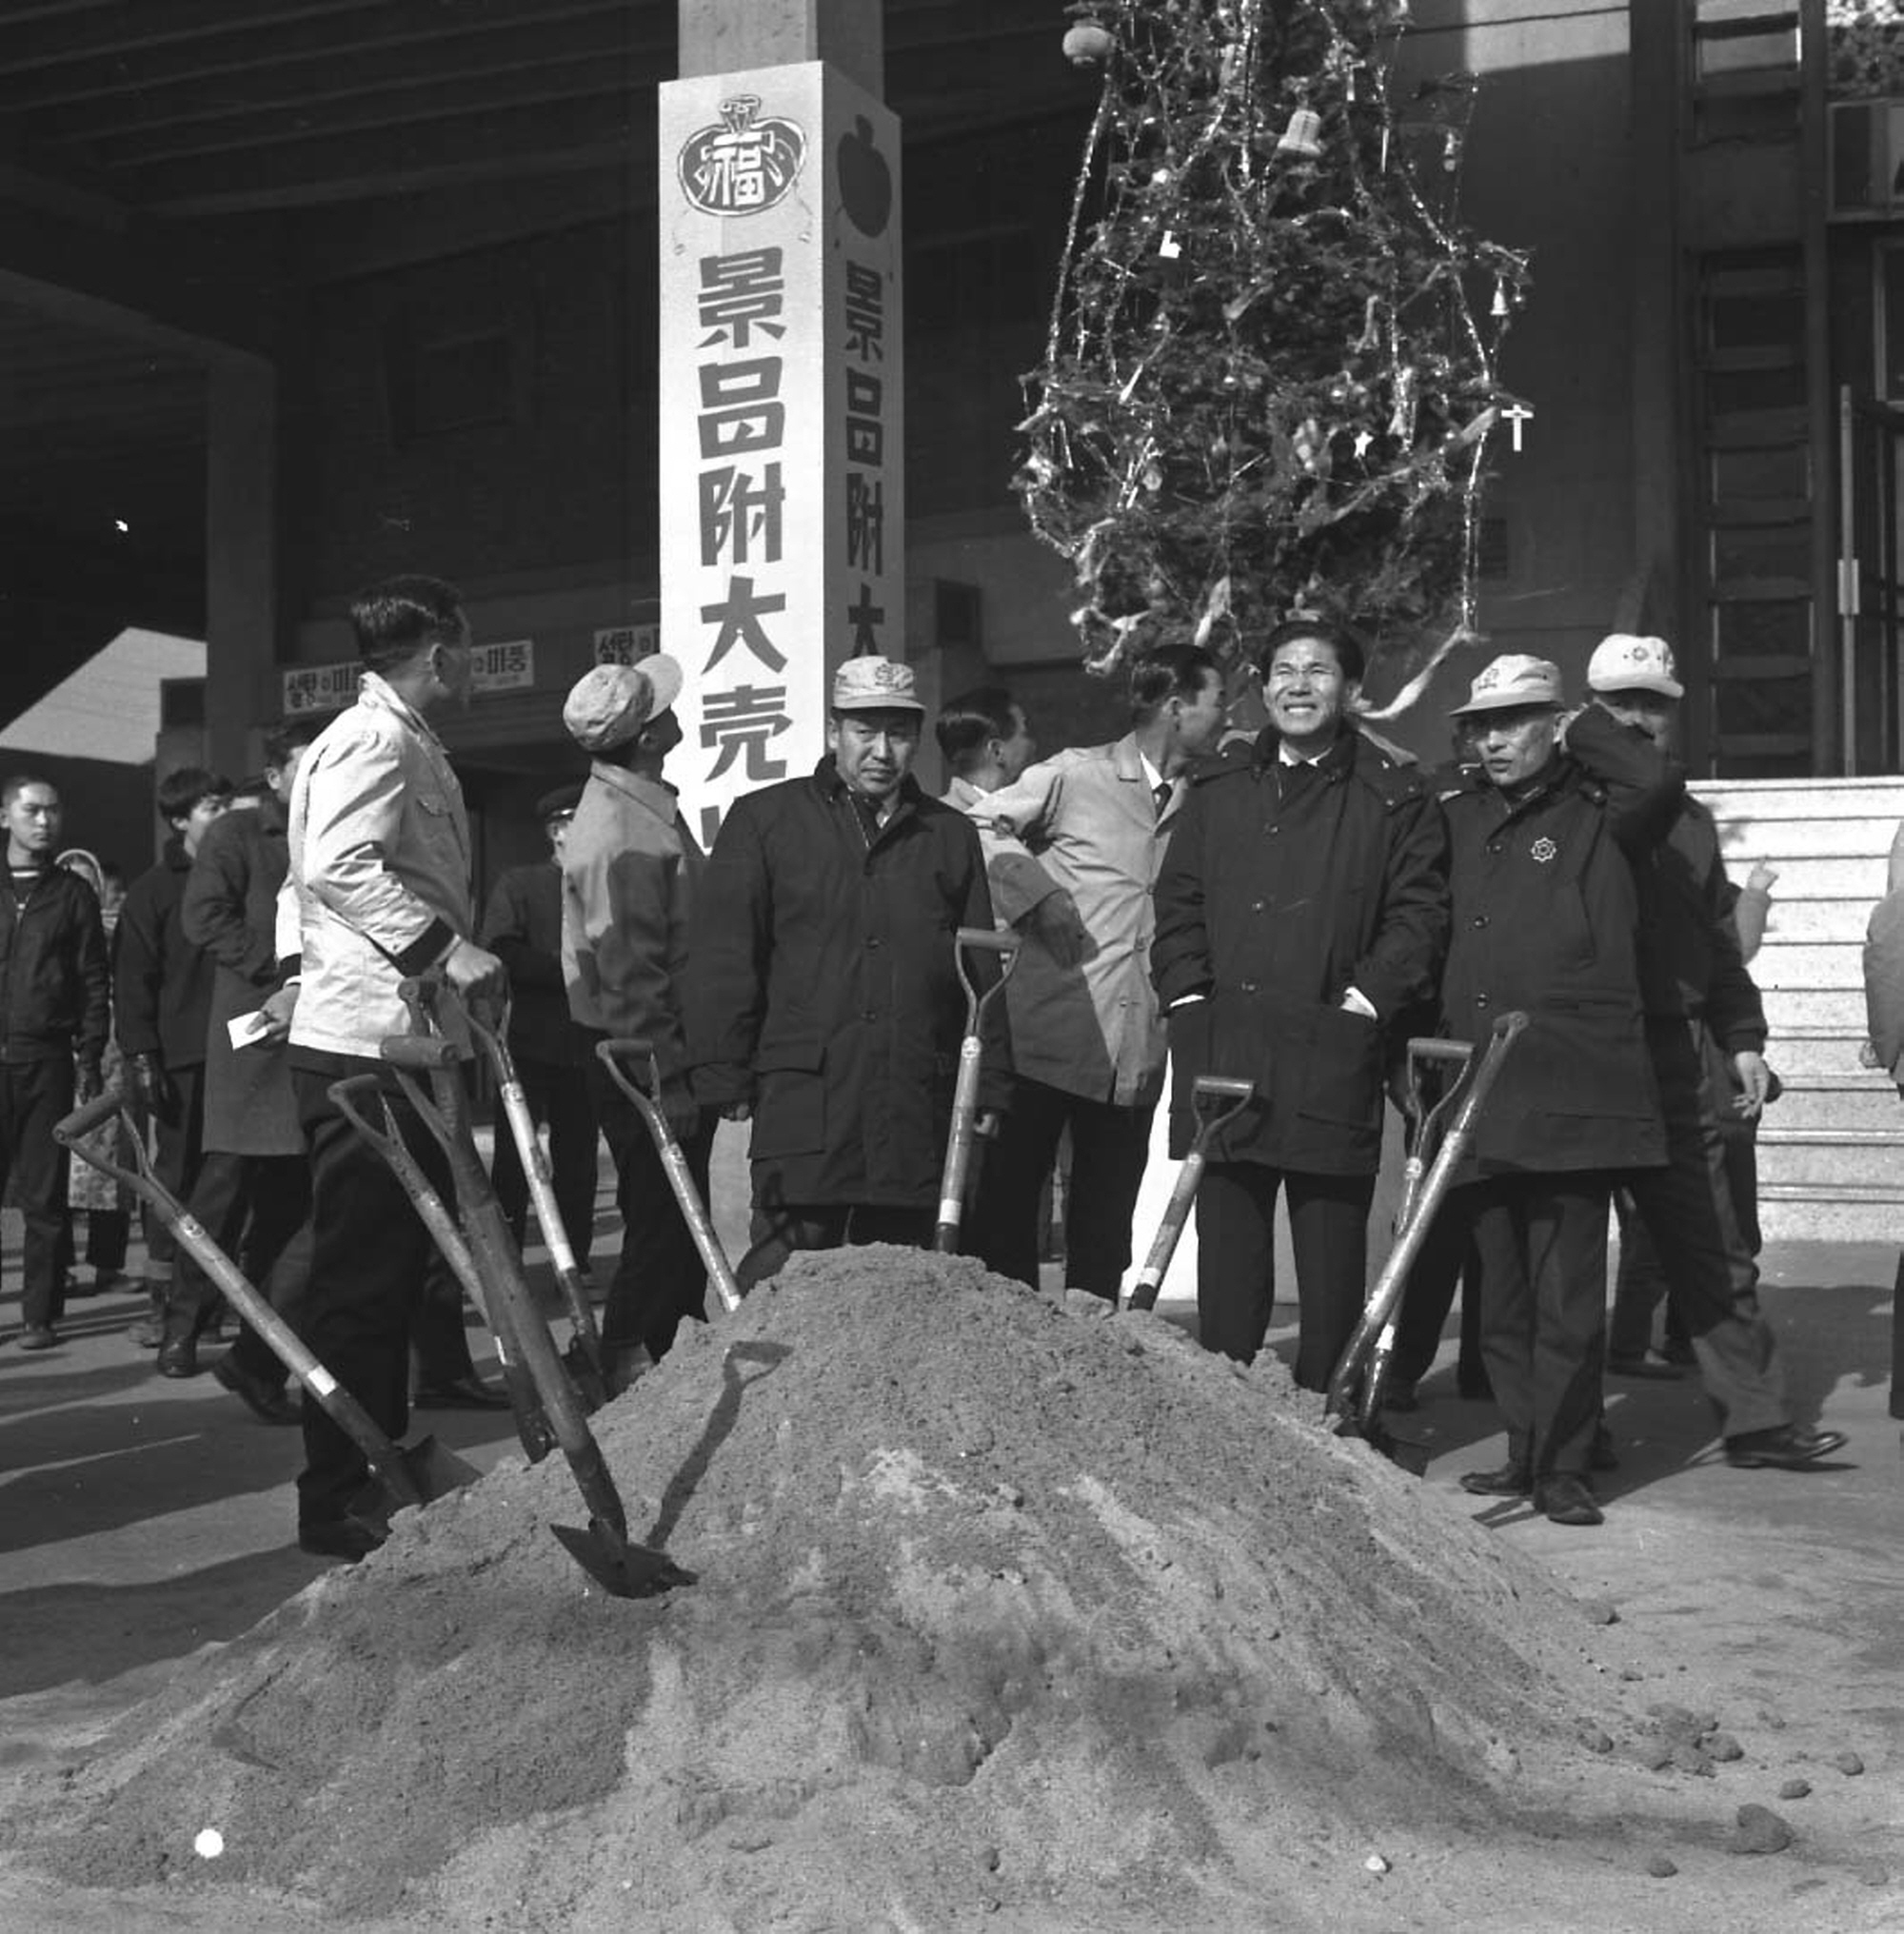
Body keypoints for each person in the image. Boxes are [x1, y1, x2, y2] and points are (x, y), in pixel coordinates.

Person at [268, 574, 508, 1561]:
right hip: (366, 1050)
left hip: (395, 1036)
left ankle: (384, 1455)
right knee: (362, 1280)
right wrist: (440, 950)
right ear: (439, 650)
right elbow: (332, 866)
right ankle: (335, 1495)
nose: (467, 663)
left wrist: (297, 970)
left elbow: (306, 883)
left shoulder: (397, 738)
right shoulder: (375, 740)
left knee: (396, 1270)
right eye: (464, 646)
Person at [1152, 620, 1449, 1387]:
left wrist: (1364, 1004)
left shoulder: (1393, 794)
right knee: (1228, 1248)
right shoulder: (1219, 787)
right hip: (1227, 1042)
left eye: (1318, 671)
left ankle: (1330, 1406)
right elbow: (1178, 898)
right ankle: (1231, 1413)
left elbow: (1417, 916)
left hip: (1330, 1043)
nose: (1297, 685)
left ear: (1350, 690)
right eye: (1283, 670)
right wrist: (1187, 995)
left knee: (1329, 1251)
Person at [1579, 635, 1844, 1472]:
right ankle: (1565, 1436)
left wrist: (1743, 1038)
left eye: (1655, 703)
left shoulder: (1691, 822)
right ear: (1590, 711)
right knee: (1567, 1260)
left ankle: (1757, 1421)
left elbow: (1717, 948)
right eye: (1622, 702)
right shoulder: (1563, 805)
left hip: (1678, 1048)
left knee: (1714, 1248)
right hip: (1585, 1048)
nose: (1639, 717)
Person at [686, 655, 1010, 1287]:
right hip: (807, 1092)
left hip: (912, 1091)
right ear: (835, 731)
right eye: (865, 731)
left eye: (898, 733)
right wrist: (722, 1071)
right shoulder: (766, 821)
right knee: (787, 1272)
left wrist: (991, 1082)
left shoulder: (946, 834)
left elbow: (981, 964)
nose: (882, 750)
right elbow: (725, 954)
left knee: (904, 1284)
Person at [959, 645, 1229, 1298]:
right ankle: (1010, 1358)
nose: (1225, 716)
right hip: (1045, 1037)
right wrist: (1036, 894)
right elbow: (977, 825)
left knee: (1104, 1230)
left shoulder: (1211, 796)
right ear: (1176, 706)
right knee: (1009, 1217)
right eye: (1217, 701)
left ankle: (1094, 1361)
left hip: (1135, 1049)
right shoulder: (1076, 776)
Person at [559, 659, 706, 1381]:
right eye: (664, 710)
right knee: (661, 1221)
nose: (678, 712)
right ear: (648, 739)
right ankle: (617, 1363)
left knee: (673, 1219)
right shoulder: (621, 832)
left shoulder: (640, 809)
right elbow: (631, 975)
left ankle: (672, 1354)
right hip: (639, 1054)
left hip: (643, 1046)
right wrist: (666, 1079)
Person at [176, 719, 326, 1423]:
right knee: (222, 1192)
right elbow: (202, 918)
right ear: (273, 777)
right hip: (252, 1038)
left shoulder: (327, 825)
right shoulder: (237, 836)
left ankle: (257, 1357)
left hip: (307, 1035)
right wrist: (282, 972)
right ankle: (183, 1327)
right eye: (302, 766)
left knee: (293, 1207)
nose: (316, 778)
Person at [113, 765, 234, 1376]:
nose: (224, 815)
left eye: (226, 804)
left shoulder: (244, 876)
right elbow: (134, 980)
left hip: (242, 1054)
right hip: (182, 1059)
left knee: (237, 1183)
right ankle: (168, 1304)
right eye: (211, 807)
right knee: (177, 1180)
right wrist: (141, 1055)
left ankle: (219, 1302)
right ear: (182, 819)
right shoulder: (153, 890)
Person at [0, 776, 109, 1351]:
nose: (44, 821)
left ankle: (38, 1314)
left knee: (43, 1197)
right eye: (31, 810)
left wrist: (90, 1052)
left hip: (45, 1058)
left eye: (53, 810)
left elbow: (94, 978)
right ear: (4, 817)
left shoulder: (72, 894)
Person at [480, 780, 600, 1275]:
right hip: (530, 1041)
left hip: (588, 1043)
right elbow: (499, 951)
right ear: (557, 831)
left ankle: (576, 1262)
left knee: (579, 1163)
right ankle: (505, 1264)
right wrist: (567, 970)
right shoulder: (521, 884)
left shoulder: (605, 885)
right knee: (517, 1159)